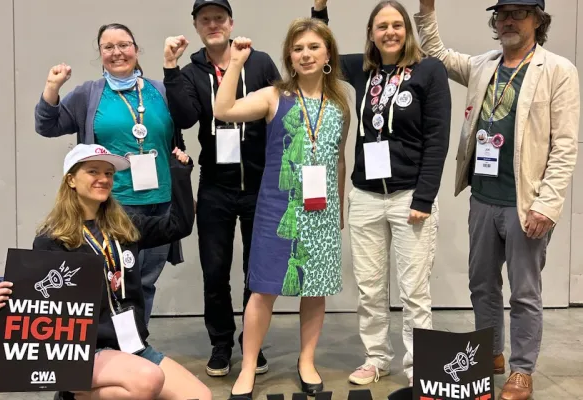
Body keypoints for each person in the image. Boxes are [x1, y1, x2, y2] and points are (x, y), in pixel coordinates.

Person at [414, 0, 580, 398]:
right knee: (481, 284)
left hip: (526, 203)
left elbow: (566, 146)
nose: (508, 20)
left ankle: (522, 370)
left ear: (538, 20)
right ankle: (492, 354)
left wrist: (548, 204)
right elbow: (435, 54)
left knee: (524, 292)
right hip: (483, 198)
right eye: (501, 13)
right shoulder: (483, 64)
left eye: (518, 13)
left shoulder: (558, 70)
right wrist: (427, 9)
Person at [0, 144, 211, 400]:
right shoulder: (52, 239)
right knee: (147, 380)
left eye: (109, 173)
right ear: (71, 180)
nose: (104, 179)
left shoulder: (125, 226)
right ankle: (72, 393)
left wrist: (180, 174)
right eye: (93, 171)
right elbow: (39, 296)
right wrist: (10, 293)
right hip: (85, 352)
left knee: (201, 396)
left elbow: (179, 225)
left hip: (131, 346)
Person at [311, 0, 451, 386]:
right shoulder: (362, 69)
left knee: (414, 292)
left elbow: (438, 140)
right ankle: (376, 358)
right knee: (370, 288)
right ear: (371, 33)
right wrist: (319, 11)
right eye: (381, 26)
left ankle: (418, 366)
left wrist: (424, 198)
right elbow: (323, 48)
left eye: (396, 25)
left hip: (410, 198)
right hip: (366, 195)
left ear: (406, 29)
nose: (390, 32)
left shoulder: (429, 71)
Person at [213, 17, 351, 398]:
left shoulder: (339, 102)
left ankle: (306, 361)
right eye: (298, 48)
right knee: (262, 291)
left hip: (322, 210)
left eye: (313, 47)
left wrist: (338, 209)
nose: (305, 54)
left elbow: (339, 159)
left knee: (316, 290)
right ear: (289, 56)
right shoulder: (274, 95)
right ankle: (248, 367)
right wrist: (236, 63)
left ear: (328, 54)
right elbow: (223, 110)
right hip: (278, 208)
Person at [34, 23, 189, 327]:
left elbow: (175, 133)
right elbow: (47, 126)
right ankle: (106, 347)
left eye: (124, 45)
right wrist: (52, 87)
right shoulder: (88, 94)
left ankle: (136, 344)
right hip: (116, 204)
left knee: (145, 282)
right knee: (115, 280)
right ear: (101, 53)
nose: (117, 52)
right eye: (108, 47)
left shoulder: (159, 91)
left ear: (136, 49)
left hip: (161, 201)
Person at [162, 0, 280, 377]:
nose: (213, 24)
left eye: (218, 18)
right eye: (204, 19)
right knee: (215, 270)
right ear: (196, 26)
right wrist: (170, 69)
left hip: (260, 185)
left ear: (231, 23)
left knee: (255, 271)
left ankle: (251, 342)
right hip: (215, 186)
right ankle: (221, 342)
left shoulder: (258, 62)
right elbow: (185, 116)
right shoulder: (193, 70)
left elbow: (279, 112)